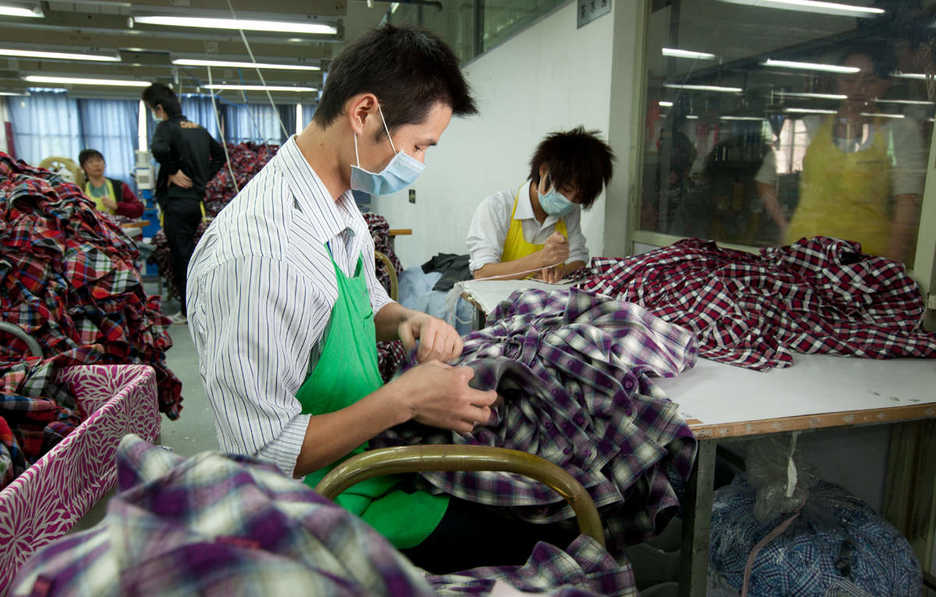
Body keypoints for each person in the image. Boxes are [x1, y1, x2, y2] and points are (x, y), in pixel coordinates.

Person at [185, 25, 571, 573]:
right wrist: (405, 401)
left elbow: (365, 307)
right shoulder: (260, 255)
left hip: (365, 464)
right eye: (418, 146)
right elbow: (265, 454)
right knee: (538, 542)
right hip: (315, 509)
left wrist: (409, 319)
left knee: (539, 495)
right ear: (364, 113)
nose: (419, 162)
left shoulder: (340, 206)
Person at [759, 45, 925, 264]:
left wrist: (890, 266)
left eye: (870, 81)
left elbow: (907, 203)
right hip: (803, 255)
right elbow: (765, 181)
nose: (858, 89)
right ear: (835, 83)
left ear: (886, 83)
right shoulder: (808, 127)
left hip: (864, 261)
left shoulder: (899, 132)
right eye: (848, 80)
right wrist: (784, 227)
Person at [466, 127, 614, 283]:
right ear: (544, 171)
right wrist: (540, 260)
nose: (569, 201)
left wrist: (562, 270)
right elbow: (482, 273)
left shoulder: (571, 210)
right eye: (566, 189)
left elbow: (578, 259)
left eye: (578, 197)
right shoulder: (497, 207)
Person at [142, 82, 225, 324]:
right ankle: (197, 306)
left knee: (182, 258)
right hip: (196, 203)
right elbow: (219, 155)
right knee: (192, 254)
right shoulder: (197, 128)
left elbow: (157, 149)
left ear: (158, 108)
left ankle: (188, 311)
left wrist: (172, 171)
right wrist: (202, 178)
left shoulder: (167, 128)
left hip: (177, 202)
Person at [78, 149, 144, 219]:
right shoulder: (80, 189)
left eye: (99, 160)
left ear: (105, 164)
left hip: (118, 228)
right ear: (82, 167)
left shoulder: (119, 186)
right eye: (90, 162)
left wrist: (117, 206)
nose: (96, 164)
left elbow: (139, 210)